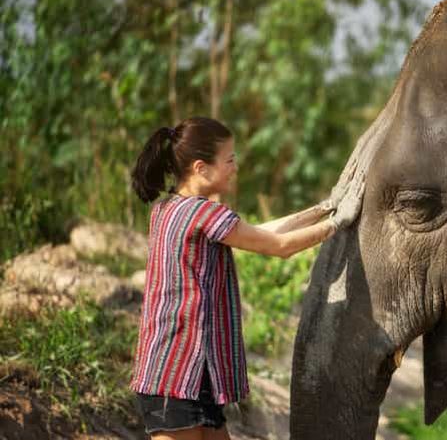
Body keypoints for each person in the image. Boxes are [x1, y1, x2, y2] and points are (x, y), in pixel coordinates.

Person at [128, 116, 361, 440]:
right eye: (230, 160)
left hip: (190, 374)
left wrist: (325, 209)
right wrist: (339, 223)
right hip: (174, 374)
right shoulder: (204, 213)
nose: (235, 168)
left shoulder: (168, 210)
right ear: (201, 168)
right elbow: (278, 247)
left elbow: (260, 234)